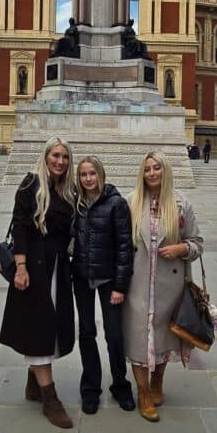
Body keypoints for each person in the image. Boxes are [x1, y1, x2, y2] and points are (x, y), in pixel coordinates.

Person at [0, 137, 77, 428]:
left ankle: (33, 380)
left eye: (65, 157)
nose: (60, 161)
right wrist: (20, 267)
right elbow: (20, 226)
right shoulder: (31, 184)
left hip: (58, 267)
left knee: (51, 325)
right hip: (33, 266)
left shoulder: (68, 190)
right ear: (45, 157)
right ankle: (50, 398)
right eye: (55, 155)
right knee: (41, 326)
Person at [122, 150, 204, 422]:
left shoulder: (181, 204)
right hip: (137, 284)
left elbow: (198, 243)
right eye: (147, 169)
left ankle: (157, 383)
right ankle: (143, 392)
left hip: (170, 286)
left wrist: (182, 247)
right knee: (138, 339)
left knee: (163, 339)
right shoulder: (131, 203)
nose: (152, 173)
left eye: (157, 168)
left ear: (165, 170)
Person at [72, 155, 135, 414]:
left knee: (114, 335)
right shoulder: (74, 203)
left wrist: (120, 286)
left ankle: (121, 386)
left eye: (92, 173)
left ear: (101, 175)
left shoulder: (116, 204)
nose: (88, 179)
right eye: (83, 174)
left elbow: (125, 247)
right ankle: (90, 389)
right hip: (81, 277)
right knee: (87, 334)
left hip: (109, 279)